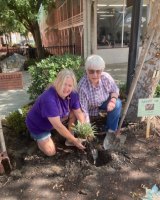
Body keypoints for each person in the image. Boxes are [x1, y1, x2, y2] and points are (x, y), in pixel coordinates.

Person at [26, 69, 86, 156]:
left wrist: (85, 131)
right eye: (64, 84)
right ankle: (37, 139)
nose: (67, 88)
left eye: (70, 85)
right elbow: (58, 126)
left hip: (56, 120)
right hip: (38, 126)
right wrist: (75, 140)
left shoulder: (73, 94)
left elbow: (79, 113)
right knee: (51, 152)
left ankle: (69, 138)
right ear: (57, 82)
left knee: (73, 111)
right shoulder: (49, 99)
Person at [78, 55, 122, 133]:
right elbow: (84, 109)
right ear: (86, 70)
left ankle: (111, 130)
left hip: (104, 101)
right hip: (90, 106)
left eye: (98, 71)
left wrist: (112, 100)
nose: (95, 75)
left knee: (117, 103)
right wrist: (87, 129)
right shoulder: (82, 86)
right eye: (91, 71)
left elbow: (115, 89)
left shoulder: (106, 77)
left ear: (102, 70)